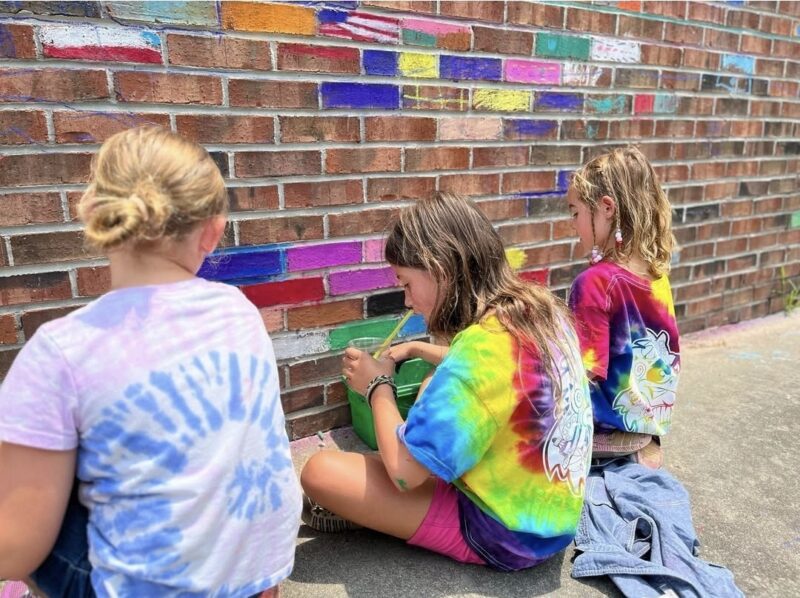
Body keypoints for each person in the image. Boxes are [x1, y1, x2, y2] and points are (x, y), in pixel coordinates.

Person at [0, 126, 301, 596]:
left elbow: (17, 551)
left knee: (35, 485)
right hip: (256, 575)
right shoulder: (238, 309)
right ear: (214, 232)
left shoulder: (60, 350)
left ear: (93, 214)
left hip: (153, 585)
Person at [301, 192, 593, 571]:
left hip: (504, 533)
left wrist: (377, 388)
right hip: (548, 514)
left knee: (320, 471)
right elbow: (502, 377)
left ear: (440, 268)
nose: (407, 301)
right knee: (428, 390)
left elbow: (406, 476)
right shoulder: (539, 310)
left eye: (406, 284)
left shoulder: (482, 348)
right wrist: (423, 350)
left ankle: (374, 514)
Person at [566, 146, 680, 469]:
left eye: (575, 213)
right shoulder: (657, 277)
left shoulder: (594, 284)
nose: (572, 225)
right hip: (645, 437)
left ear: (606, 209)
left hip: (603, 446)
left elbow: (581, 376)